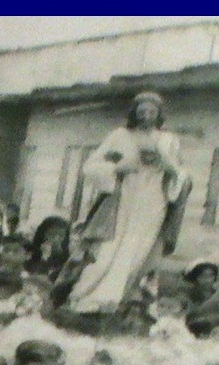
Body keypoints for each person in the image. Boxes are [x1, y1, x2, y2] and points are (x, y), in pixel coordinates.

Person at [67, 92, 190, 313]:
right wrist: (118, 168)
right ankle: (84, 298)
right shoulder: (120, 135)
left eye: (152, 112)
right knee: (106, 254)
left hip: (153, 201)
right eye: (141, 112)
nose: (146, 116)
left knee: (138, 253)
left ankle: (120, 303)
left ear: (159, 115)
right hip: (122, 199)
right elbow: (91, 166)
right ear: (134, 113)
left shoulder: (169, 140)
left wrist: (167, 165)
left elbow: (180, 175)